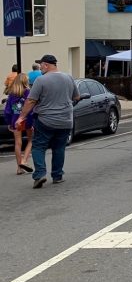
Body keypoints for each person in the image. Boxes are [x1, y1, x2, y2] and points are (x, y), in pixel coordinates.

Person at [15, 54, 79, 189]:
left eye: (41, 65)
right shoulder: (68, 77)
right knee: (59, 148)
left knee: (38, 146)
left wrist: (22, 117)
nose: (40, 68)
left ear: (46, 65)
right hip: (66, 120)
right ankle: (57, 176)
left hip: (46, 120)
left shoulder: (41, 80)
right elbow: (76, 96)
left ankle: (39, 175)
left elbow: (31, 100)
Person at [4, 73, 34, 174]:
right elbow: (32, 107)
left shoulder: (12, 94)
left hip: (15, 119)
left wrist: (9, 122)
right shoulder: (29, 92)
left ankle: (19, 168)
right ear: (25, 81)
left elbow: (7, 111)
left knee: (18, 142)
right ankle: (24, 161)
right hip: (28, 119)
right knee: (31, 140)